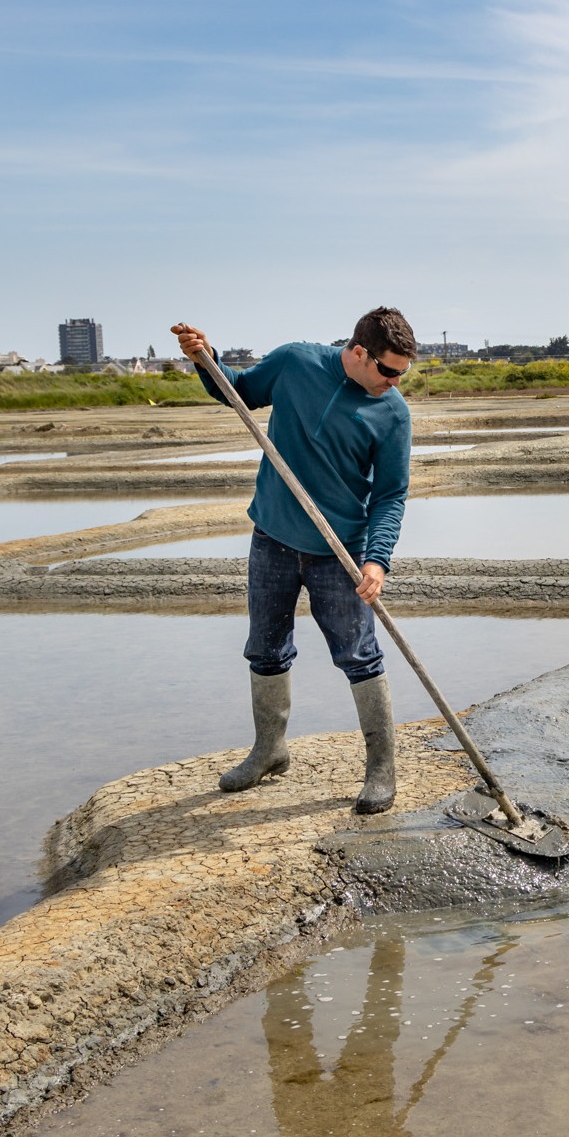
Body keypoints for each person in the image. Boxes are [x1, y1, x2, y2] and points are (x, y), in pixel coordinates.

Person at [170, 307, 416, 813]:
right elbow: (234, 390)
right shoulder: (294, 363)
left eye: (402, 375)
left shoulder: (392, 413)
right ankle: (269, 750)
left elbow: (391, 494)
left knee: (358, 656)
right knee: (264, 648)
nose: (393, 383)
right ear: (358, 352)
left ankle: (381, 769)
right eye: (387, 370)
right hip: (274, 539)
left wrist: (377, 560)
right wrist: (205, 359)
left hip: (339, 552)